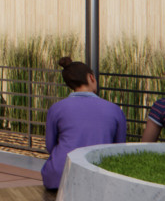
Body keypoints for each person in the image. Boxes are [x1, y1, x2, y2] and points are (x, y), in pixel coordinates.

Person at [43, 56, 127, 190]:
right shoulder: (114, 110)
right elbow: (119, 148)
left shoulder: (56, 108)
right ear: (91, 77)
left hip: (58, 177)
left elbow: (50, 146)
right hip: (99, 179)